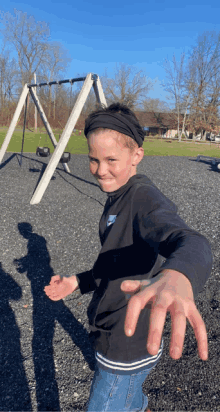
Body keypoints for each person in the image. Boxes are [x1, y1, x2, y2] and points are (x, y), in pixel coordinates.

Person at [44, 102, 213, 412]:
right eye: (93, 159)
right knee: (129, 394)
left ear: (137, 156)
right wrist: (76, 282)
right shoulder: (117, 196)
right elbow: (113, 261)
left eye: (111, 159)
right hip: (110, 327)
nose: (100, 170)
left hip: (127, 341)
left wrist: (180, 274)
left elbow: (188, 239)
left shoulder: (143, 198)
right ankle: (139, 405)